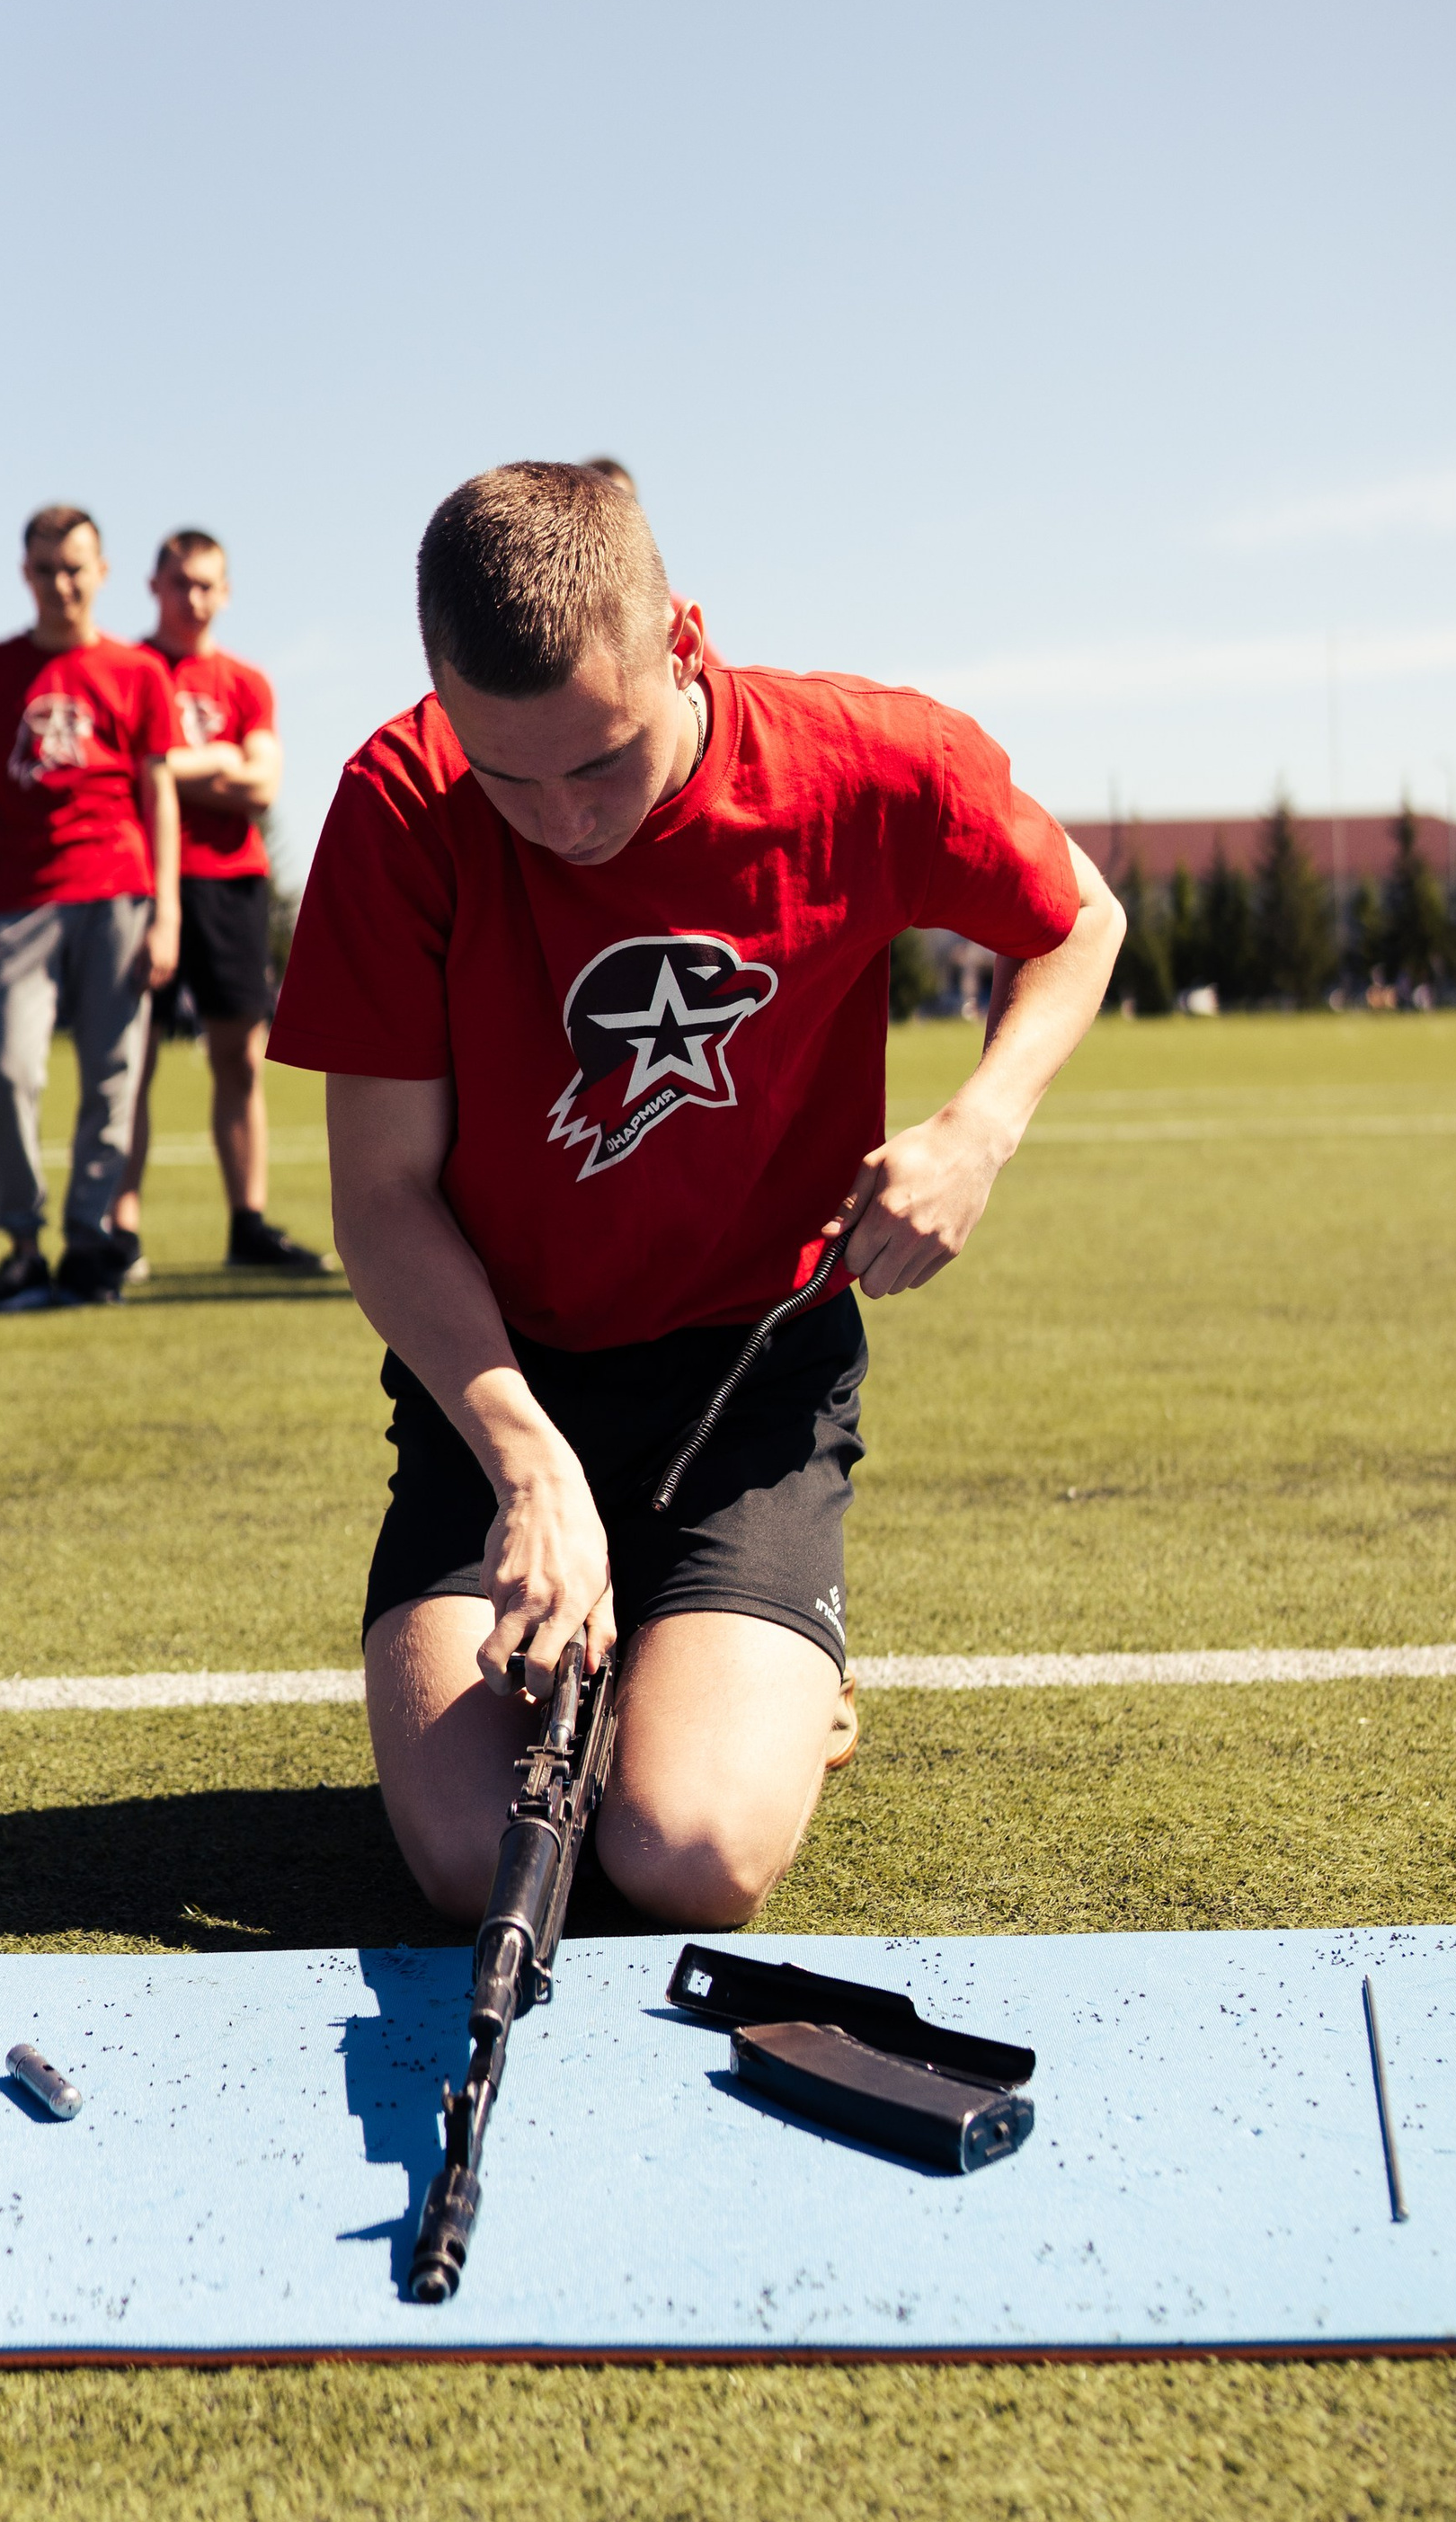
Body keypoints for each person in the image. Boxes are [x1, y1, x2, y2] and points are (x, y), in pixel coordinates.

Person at [269, 461, 1123, 1931]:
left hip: (749, 1385)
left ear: (685, 642)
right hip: (503, 1386)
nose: (561, 821)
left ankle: (744, 1681)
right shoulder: (400, 807)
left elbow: (1079, 919)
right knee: (485, 1868)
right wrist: (529, 1465)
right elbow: (385, 1198)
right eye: (508, 774)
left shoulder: (865, 764)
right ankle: (696, 1673)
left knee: (685, 1858)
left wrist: (978, 1127)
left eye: (599, 762)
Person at [0, 505, 181, 1313]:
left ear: (102, 572)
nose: (61, 584)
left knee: (113, 1077)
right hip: (17, 906)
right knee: (11, 1075)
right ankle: (21, 1244)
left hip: (119, 890)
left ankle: (88, 1240)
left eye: (75, 567)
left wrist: (168, 909)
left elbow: (160, 793)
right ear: (25, 574)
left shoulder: (140, 672)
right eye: (45, 569)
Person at [103, 529, 325, 1281]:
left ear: (225, 592)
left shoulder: (247, 682)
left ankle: (248, 1224)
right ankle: (121, 1228)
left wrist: (168, 769)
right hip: (138, 880)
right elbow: (128, 775)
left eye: (207, 585)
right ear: (153, 588)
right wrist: (215, 762)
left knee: (239, 1056)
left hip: (231, 881)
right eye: (180, 585)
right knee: (130, 1060)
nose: (193, 599)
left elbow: (260, 784)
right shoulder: (128, 672)